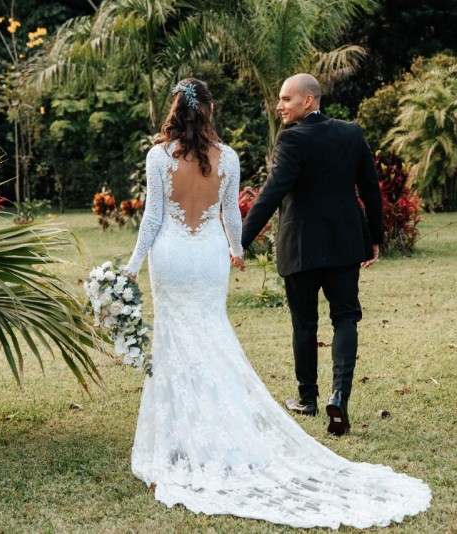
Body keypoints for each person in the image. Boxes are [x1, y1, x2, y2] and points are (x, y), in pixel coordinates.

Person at [124, 77, 429, 529]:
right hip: (260, 253)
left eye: (287, 98)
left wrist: (136, 265)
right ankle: (323, 398)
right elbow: (236, 213)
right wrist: (236, 248)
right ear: (208, 110)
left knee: (214, 333)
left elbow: (164, 214)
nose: (280, 105)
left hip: (223, 254)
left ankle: (272, 409)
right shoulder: (240, 155)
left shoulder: (165, 155)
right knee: (308, 323)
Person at [241, 73, 383, 436]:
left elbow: (272, 193)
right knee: (346, 318)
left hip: (301, 246)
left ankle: (308, 398)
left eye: (286, 99)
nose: (280, 106)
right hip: (343, 244)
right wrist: (375, 236)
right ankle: (340, 394)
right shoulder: (351, 133)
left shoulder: (292, 139)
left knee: (305, 323)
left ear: (309, 101)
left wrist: (240, 240)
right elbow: (370, 187)